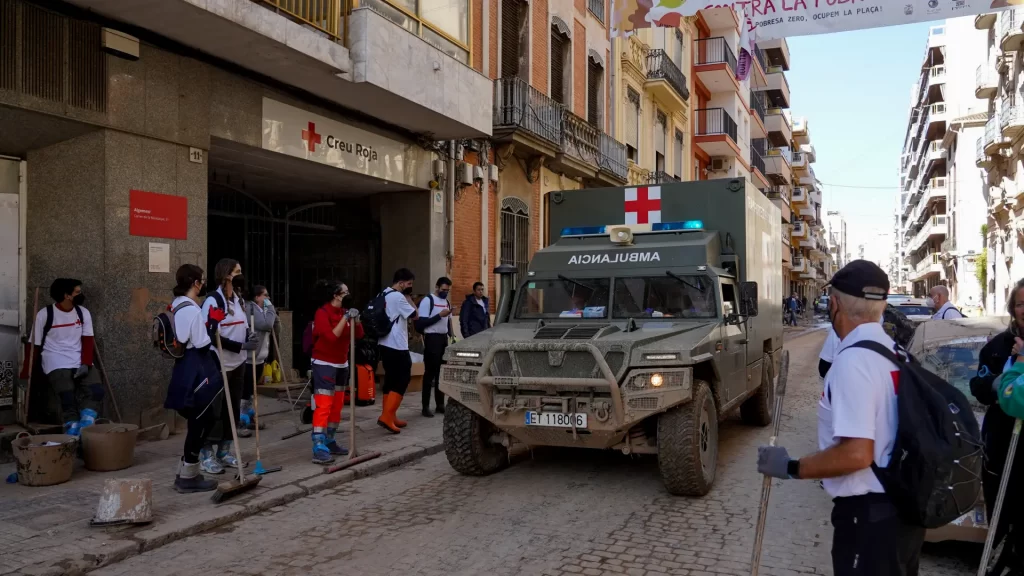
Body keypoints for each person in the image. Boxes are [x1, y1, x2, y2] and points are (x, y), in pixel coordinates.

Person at [758, 260, 925, 576]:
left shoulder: (852, 362)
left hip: (869, 518)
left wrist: (790, 467)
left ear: (834, 304)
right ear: (883, 305)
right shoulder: (895, 351)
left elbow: (856, 453)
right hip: (902, 514)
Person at [969, 278, 1024, 573]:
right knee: (1000, 522)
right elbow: (978, 384)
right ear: (1013, 309)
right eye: (1021, 303)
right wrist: (998, 383)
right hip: (1001, 448)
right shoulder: (998, 346)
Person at [164, 264, 221, 493]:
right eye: (202, 280)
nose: (203, 284)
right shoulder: (193, 309)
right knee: (201, 421)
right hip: (197, 368)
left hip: (183, 369)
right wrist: (212, 326)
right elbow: (201, 343)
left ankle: (185, 471)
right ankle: (189, 477)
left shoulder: (177, 304)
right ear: (196, 283)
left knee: (197, 421)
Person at [200, 258, 260, 474]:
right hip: (219, 364)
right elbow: (211, 335)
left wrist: (248, 336)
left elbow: (241, 325)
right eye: (237, 272)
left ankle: (224, 451)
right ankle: (206, 454)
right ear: (226, 275)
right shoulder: (213, 301)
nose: (241, 275)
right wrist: (240, 345)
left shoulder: (239, 299)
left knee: (232, 410)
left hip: (238, 364)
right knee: (214, 412)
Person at [32, 278, 102, 436]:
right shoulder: (45, 314)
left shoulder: (82, 313)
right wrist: (27, 371)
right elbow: (34, 345)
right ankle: (72, 426)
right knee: (66, 393)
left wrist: (85, 363)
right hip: (55, 358)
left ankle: (86, 422)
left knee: (96, 389)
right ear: (67, 296)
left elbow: (88, 340)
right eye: (77, 292)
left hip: (78, 357)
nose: (81, 294)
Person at [309, 281, 363, 463]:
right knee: (324, 404)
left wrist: (356, 318)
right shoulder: (322, 313)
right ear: (336, 295)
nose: (348, 294)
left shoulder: (344, 312)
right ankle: (318, 444)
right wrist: (345, 318)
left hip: (342, 364)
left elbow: (359, 335)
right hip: (324, 363)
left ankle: (330, 439)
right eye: (345, 292)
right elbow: (332, 337)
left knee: (337, 405)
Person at [377, 268, 419, 434]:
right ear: (401, 283)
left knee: (390, 379)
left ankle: (389, 414)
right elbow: (415, 315)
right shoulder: (399, 297)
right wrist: (409, 297)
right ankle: (387, 416)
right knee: (403, 378)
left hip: (384, 343)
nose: (410, 286)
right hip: (397, 344)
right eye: (409, 284)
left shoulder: (384, 293)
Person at [239, 284, 281, 432]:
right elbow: (266, 324)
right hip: (249, 357)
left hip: (259, 357)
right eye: (265, 295)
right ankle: (242, 418)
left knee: (251, 390)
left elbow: (275, 325)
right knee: (246, 389)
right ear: (257, 297)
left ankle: (248, 415)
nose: (268, 299)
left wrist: (272, 312)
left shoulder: (260, 309)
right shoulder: (251, 308)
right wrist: (270, 309)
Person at [416, 277, 453, 417]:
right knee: (430, 373)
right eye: (443, 289)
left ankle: (440, 404)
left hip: (443, 338)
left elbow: (448, 322)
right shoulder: (428, 300)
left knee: (441, 373)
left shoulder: (446, 302)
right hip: (432, 338)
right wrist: (439, 315)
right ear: (437, 287)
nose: (445, 292)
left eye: (447, 290)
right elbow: (422, 323)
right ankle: (425, 406)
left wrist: (451, 335)